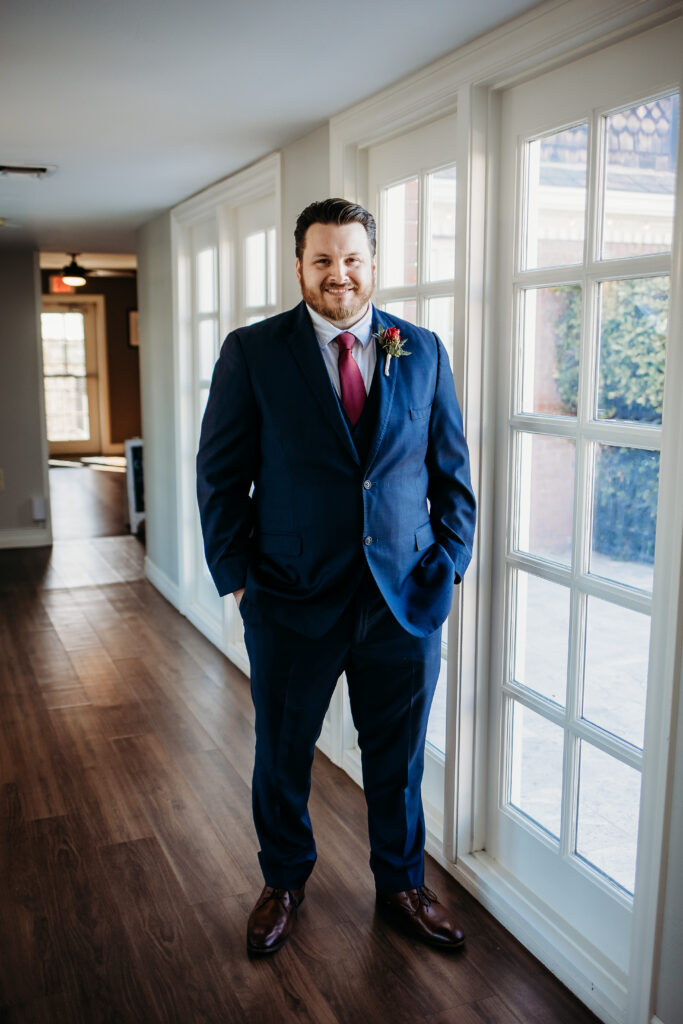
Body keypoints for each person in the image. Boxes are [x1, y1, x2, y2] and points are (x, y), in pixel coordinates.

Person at [196, 198, 476, 956]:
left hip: (403, 600)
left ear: (373, 264)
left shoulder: (420, 350)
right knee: (281, 755)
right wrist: (239, 581)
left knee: (398, 760)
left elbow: (452, 477)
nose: (338, 274)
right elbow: (219, 477)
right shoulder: (251, 353)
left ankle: (402, 886)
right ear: (299, 268)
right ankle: (283, 882)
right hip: (288, 596)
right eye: (322, 260)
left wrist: (447, 563)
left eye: (352, 258)